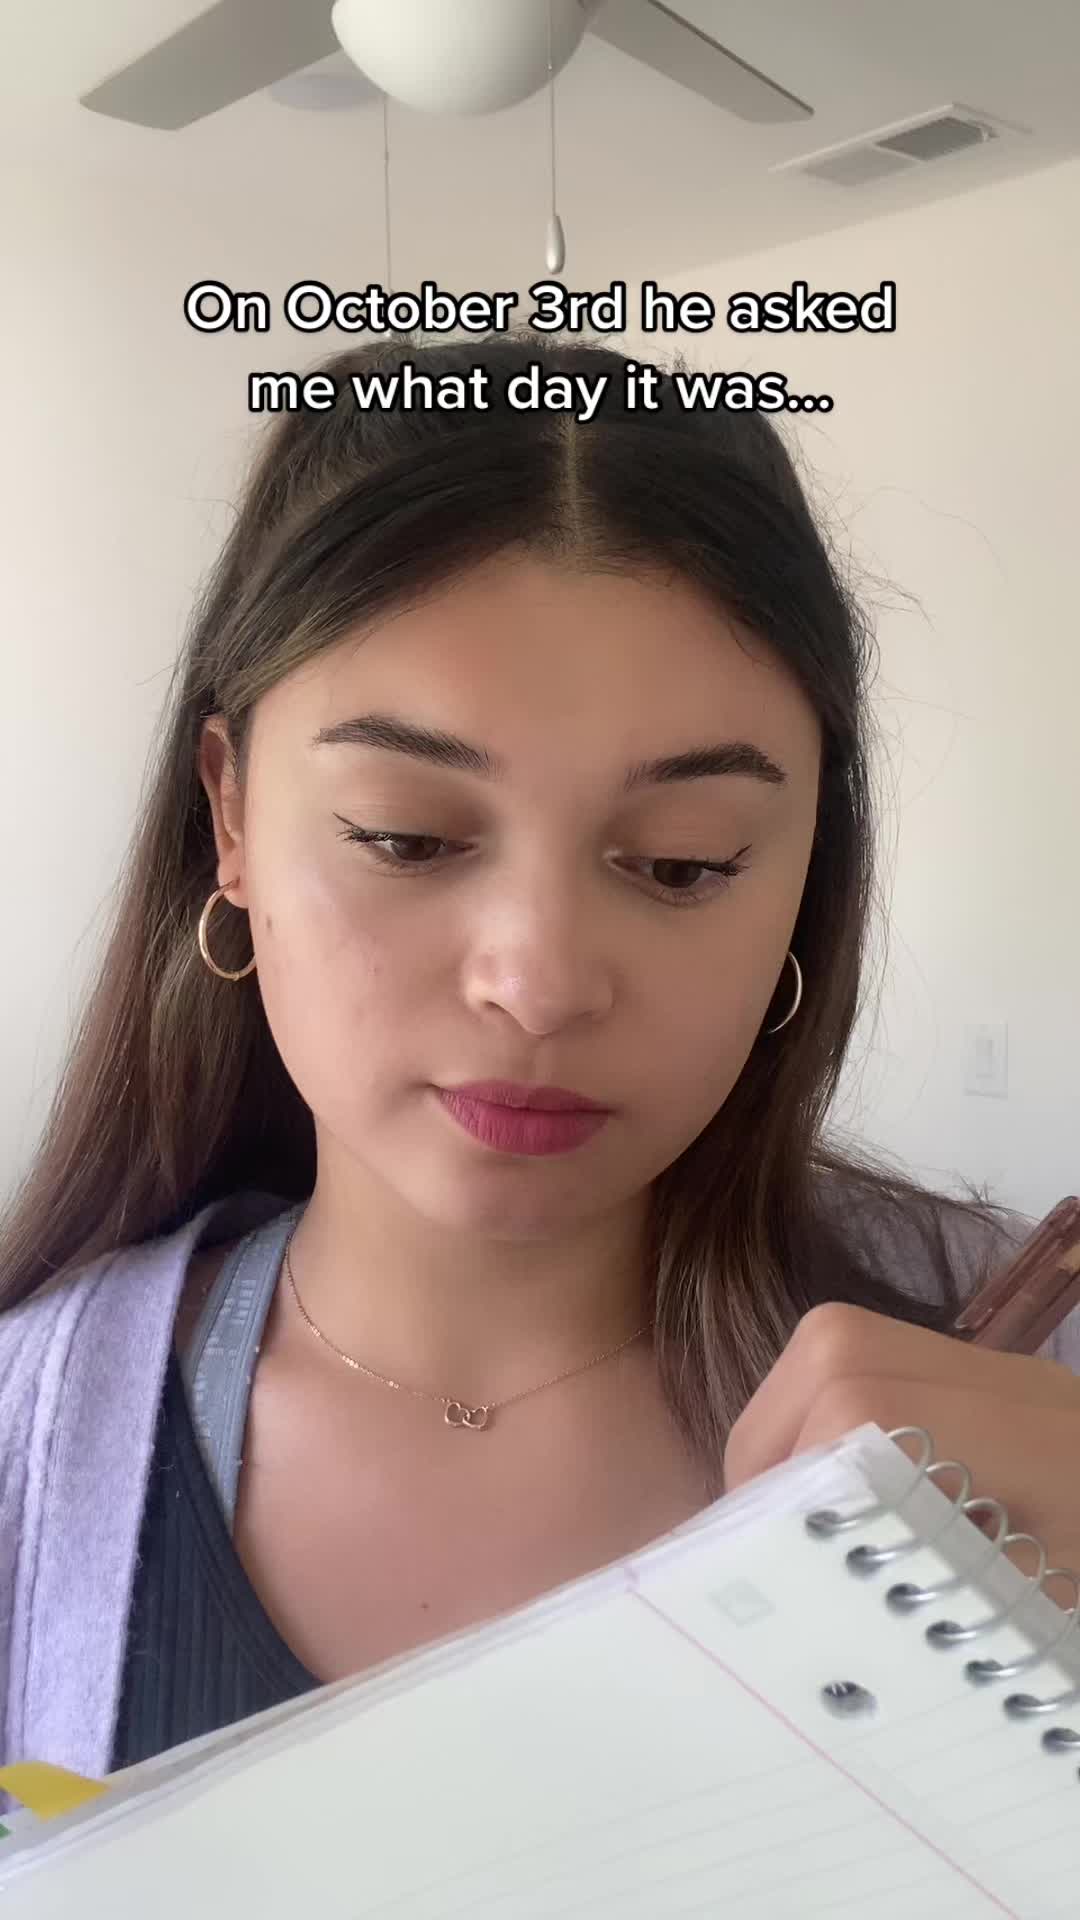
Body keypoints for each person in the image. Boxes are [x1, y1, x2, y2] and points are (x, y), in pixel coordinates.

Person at [1, 336, 1077, 1799]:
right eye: (407, 838)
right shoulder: (34, 1432)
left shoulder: (1013, 1372)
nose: (542, 982)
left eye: (684, 863)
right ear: (231, 818)